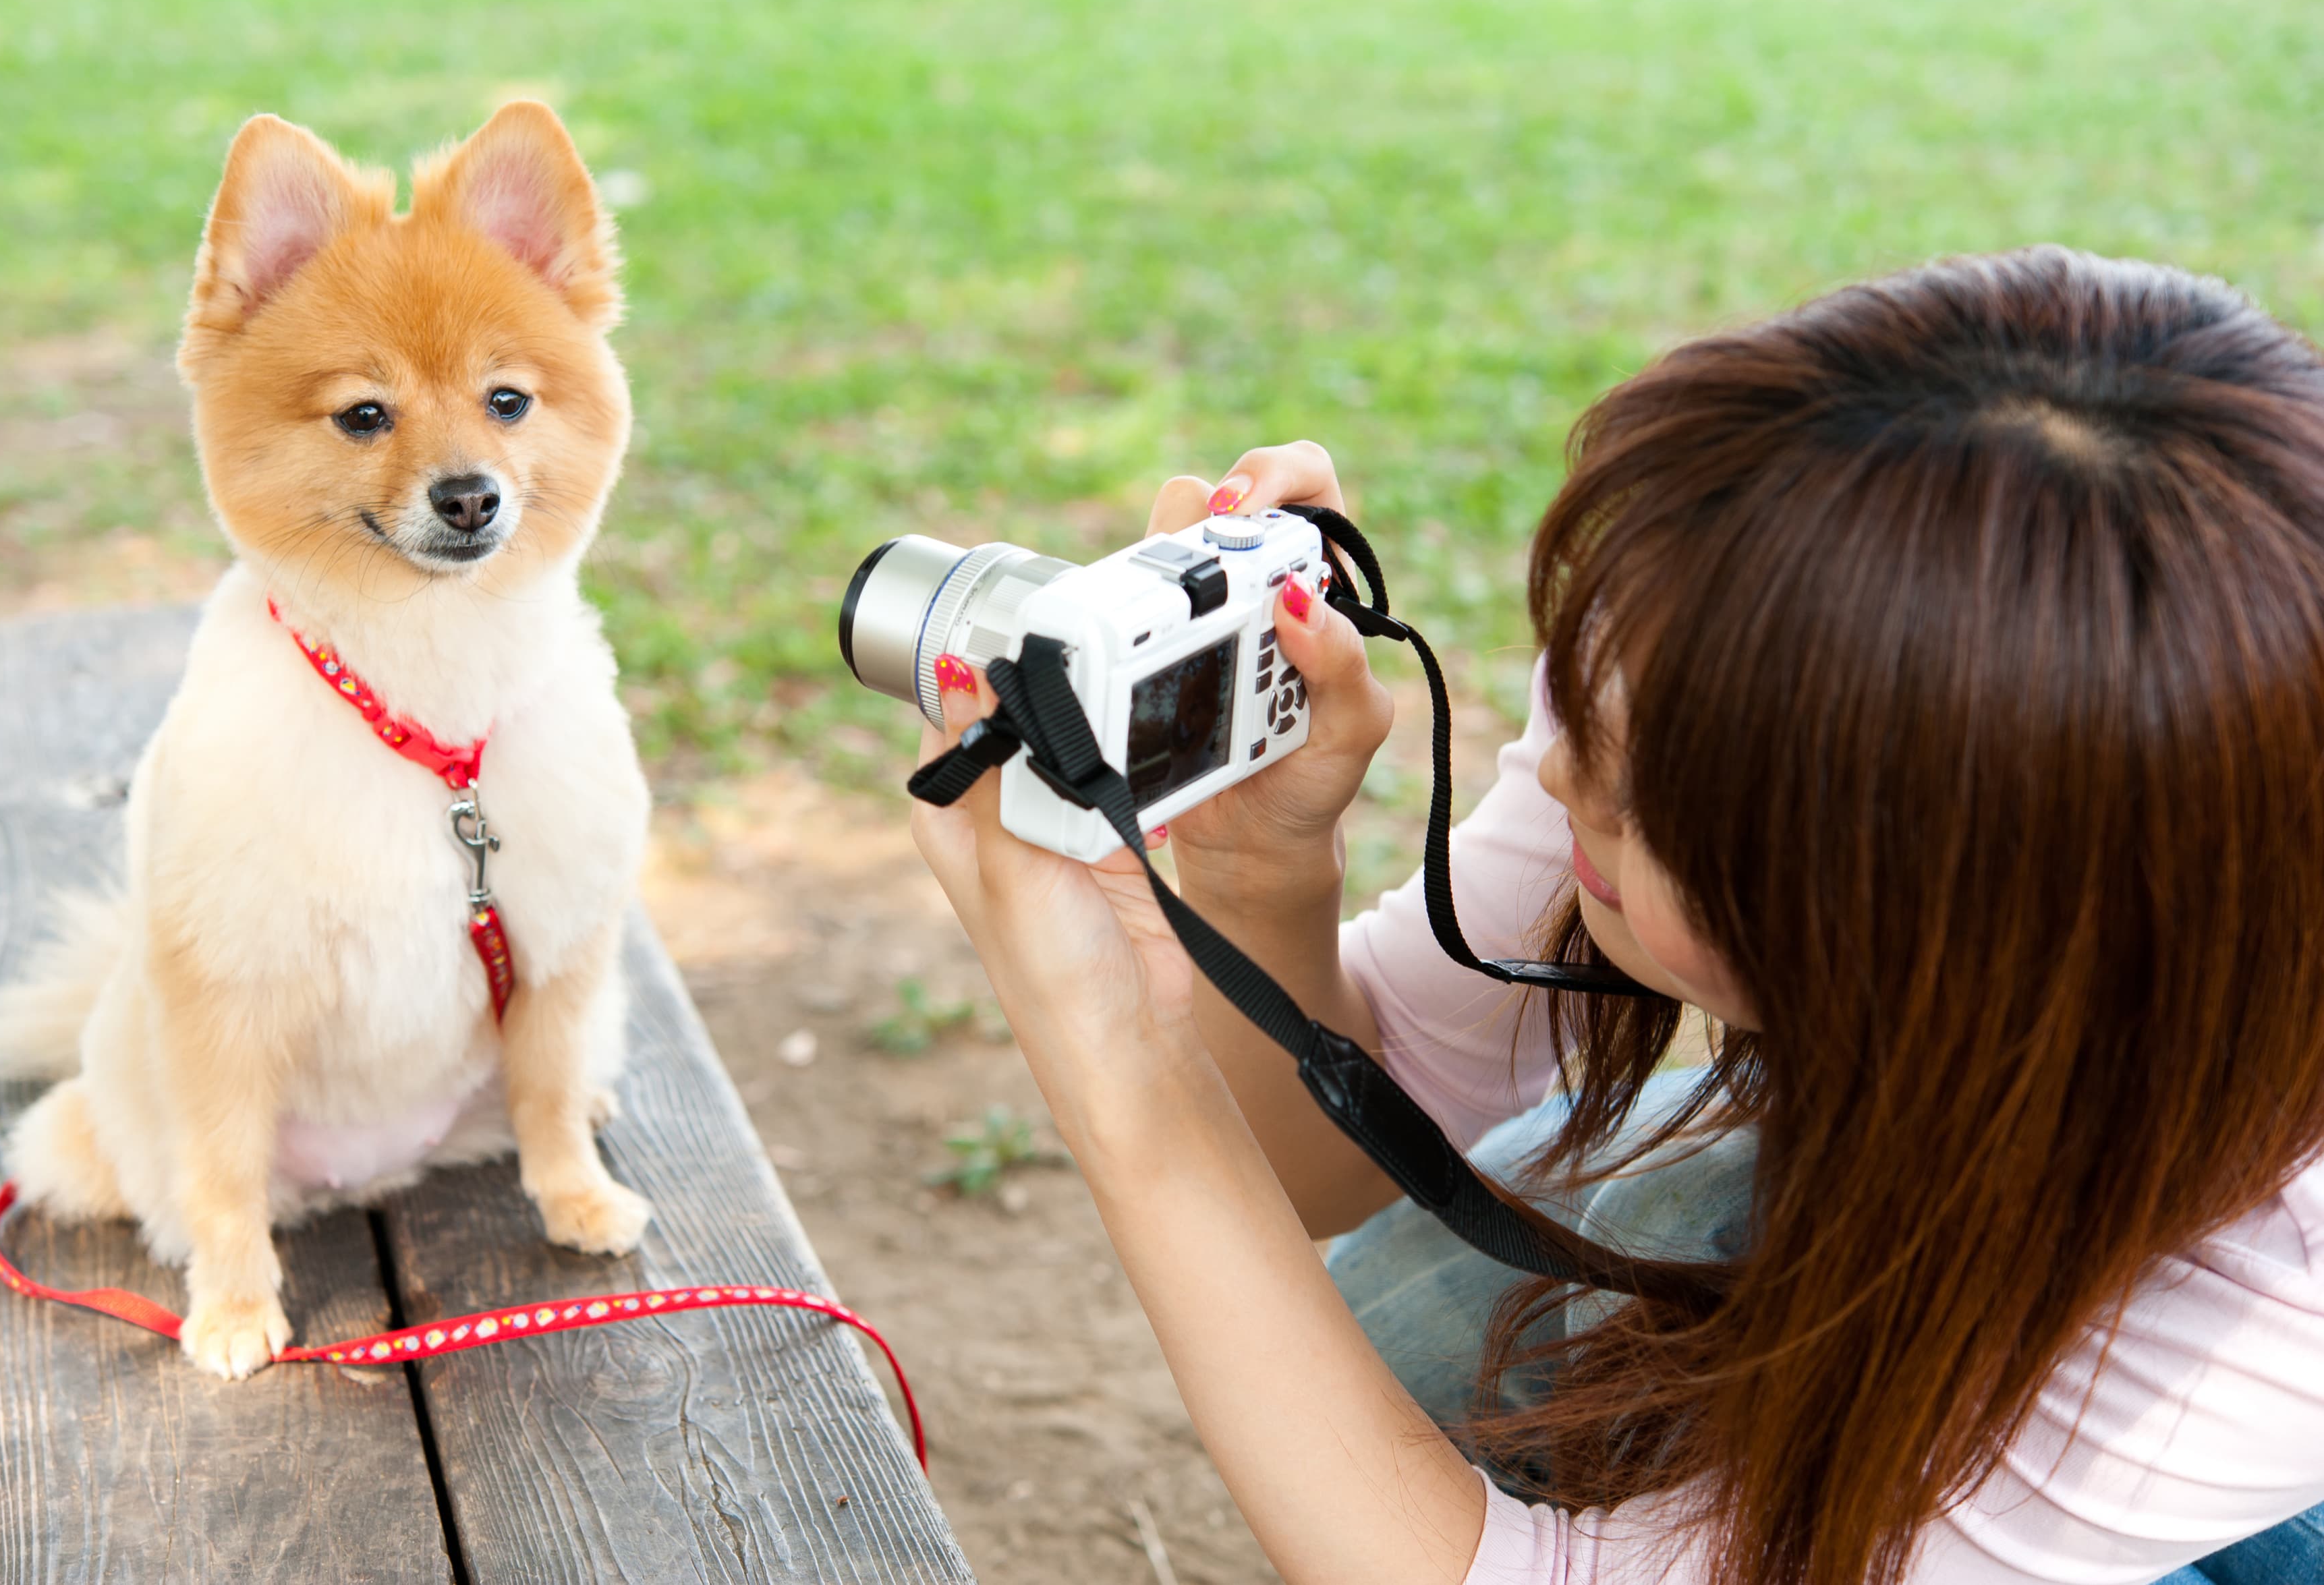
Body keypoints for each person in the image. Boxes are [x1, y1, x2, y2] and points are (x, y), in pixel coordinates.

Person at [907, 247, 2324, 1584]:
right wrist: (1267, 858)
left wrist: (1123, 1072)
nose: (1567, 770)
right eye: (1584, 683)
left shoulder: (2260, 1302)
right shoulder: (1736, 654)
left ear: (1947, 940)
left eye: (1650, 799)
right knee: (1434, 1326)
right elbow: (1346, 1158)